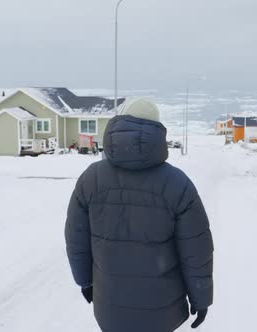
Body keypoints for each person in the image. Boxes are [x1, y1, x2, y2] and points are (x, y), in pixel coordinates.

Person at [65, 98, 214, 332]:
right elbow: (196, 250)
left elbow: (76, 238)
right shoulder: (178, 185)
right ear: (157, 129)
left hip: (109, 305)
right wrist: (201, 297)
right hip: (162, 310)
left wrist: (84, 281)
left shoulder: (90, 179)